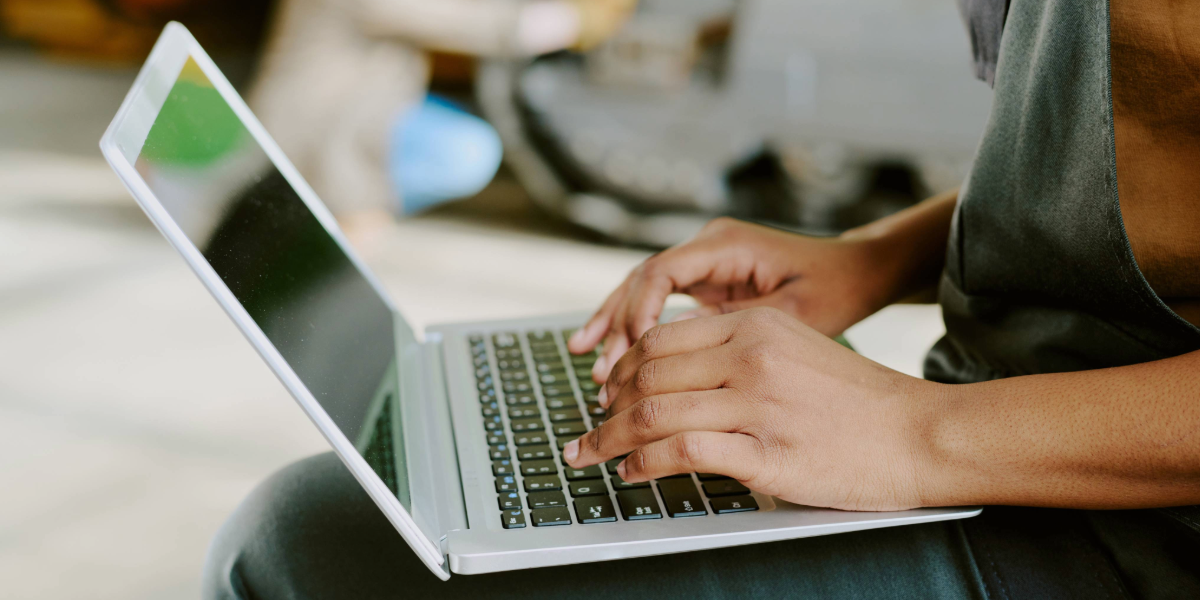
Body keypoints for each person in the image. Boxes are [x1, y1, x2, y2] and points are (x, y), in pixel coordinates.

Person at [203, 0, 1200, 597]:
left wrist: (915, 436)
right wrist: (873, 255)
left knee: (301, 547)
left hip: (1122, 544)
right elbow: (1120, 142)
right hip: (995, 425)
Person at [249, 0, 636, 220]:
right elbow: (498, 27)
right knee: (467, 150)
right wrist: (580, 18)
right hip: (313, 127)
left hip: (358, 108)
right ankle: (349, 215)